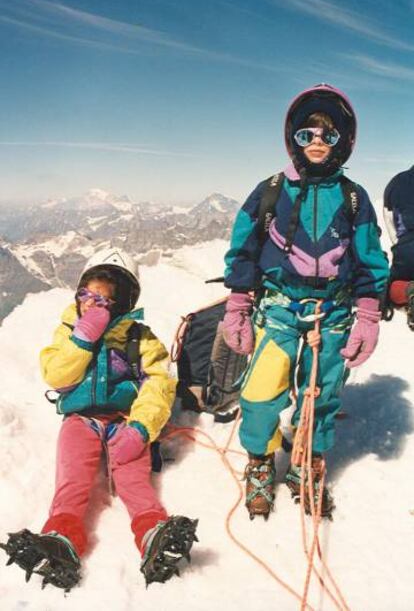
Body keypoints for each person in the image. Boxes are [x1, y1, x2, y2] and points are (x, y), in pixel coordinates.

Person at [222, 84, 389, 520]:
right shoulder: (271, 191)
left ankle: (306, 460)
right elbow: (244, 250)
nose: (316, 142)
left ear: (343, 142)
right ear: (293, 138)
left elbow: (371, 257)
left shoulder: (354, 198)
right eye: (307, 134)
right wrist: (237, 305)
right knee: (260, 391)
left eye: (327, 135)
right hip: (278, 307)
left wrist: (368, 316)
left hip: (332, 313)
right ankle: (260, 460)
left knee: (321, 393)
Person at [0, 248, 198, 590]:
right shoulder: (68, 332)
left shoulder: (140, 339)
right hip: (80, 420)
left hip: (125, 419)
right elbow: (57, 376)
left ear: (122, 304)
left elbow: (159, 384)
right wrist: (82, 340)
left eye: (105, 300)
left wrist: (140, 428)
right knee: (73, 475)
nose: (93, 304)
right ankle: (62, 538)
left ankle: (153, 533)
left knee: (133, 478)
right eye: (87, 295)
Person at [383, 165, 414, 328]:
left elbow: (390, 222)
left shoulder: (396, 182)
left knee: (392, 289)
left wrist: (401, 246)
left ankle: (409, 290)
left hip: (407, 250)